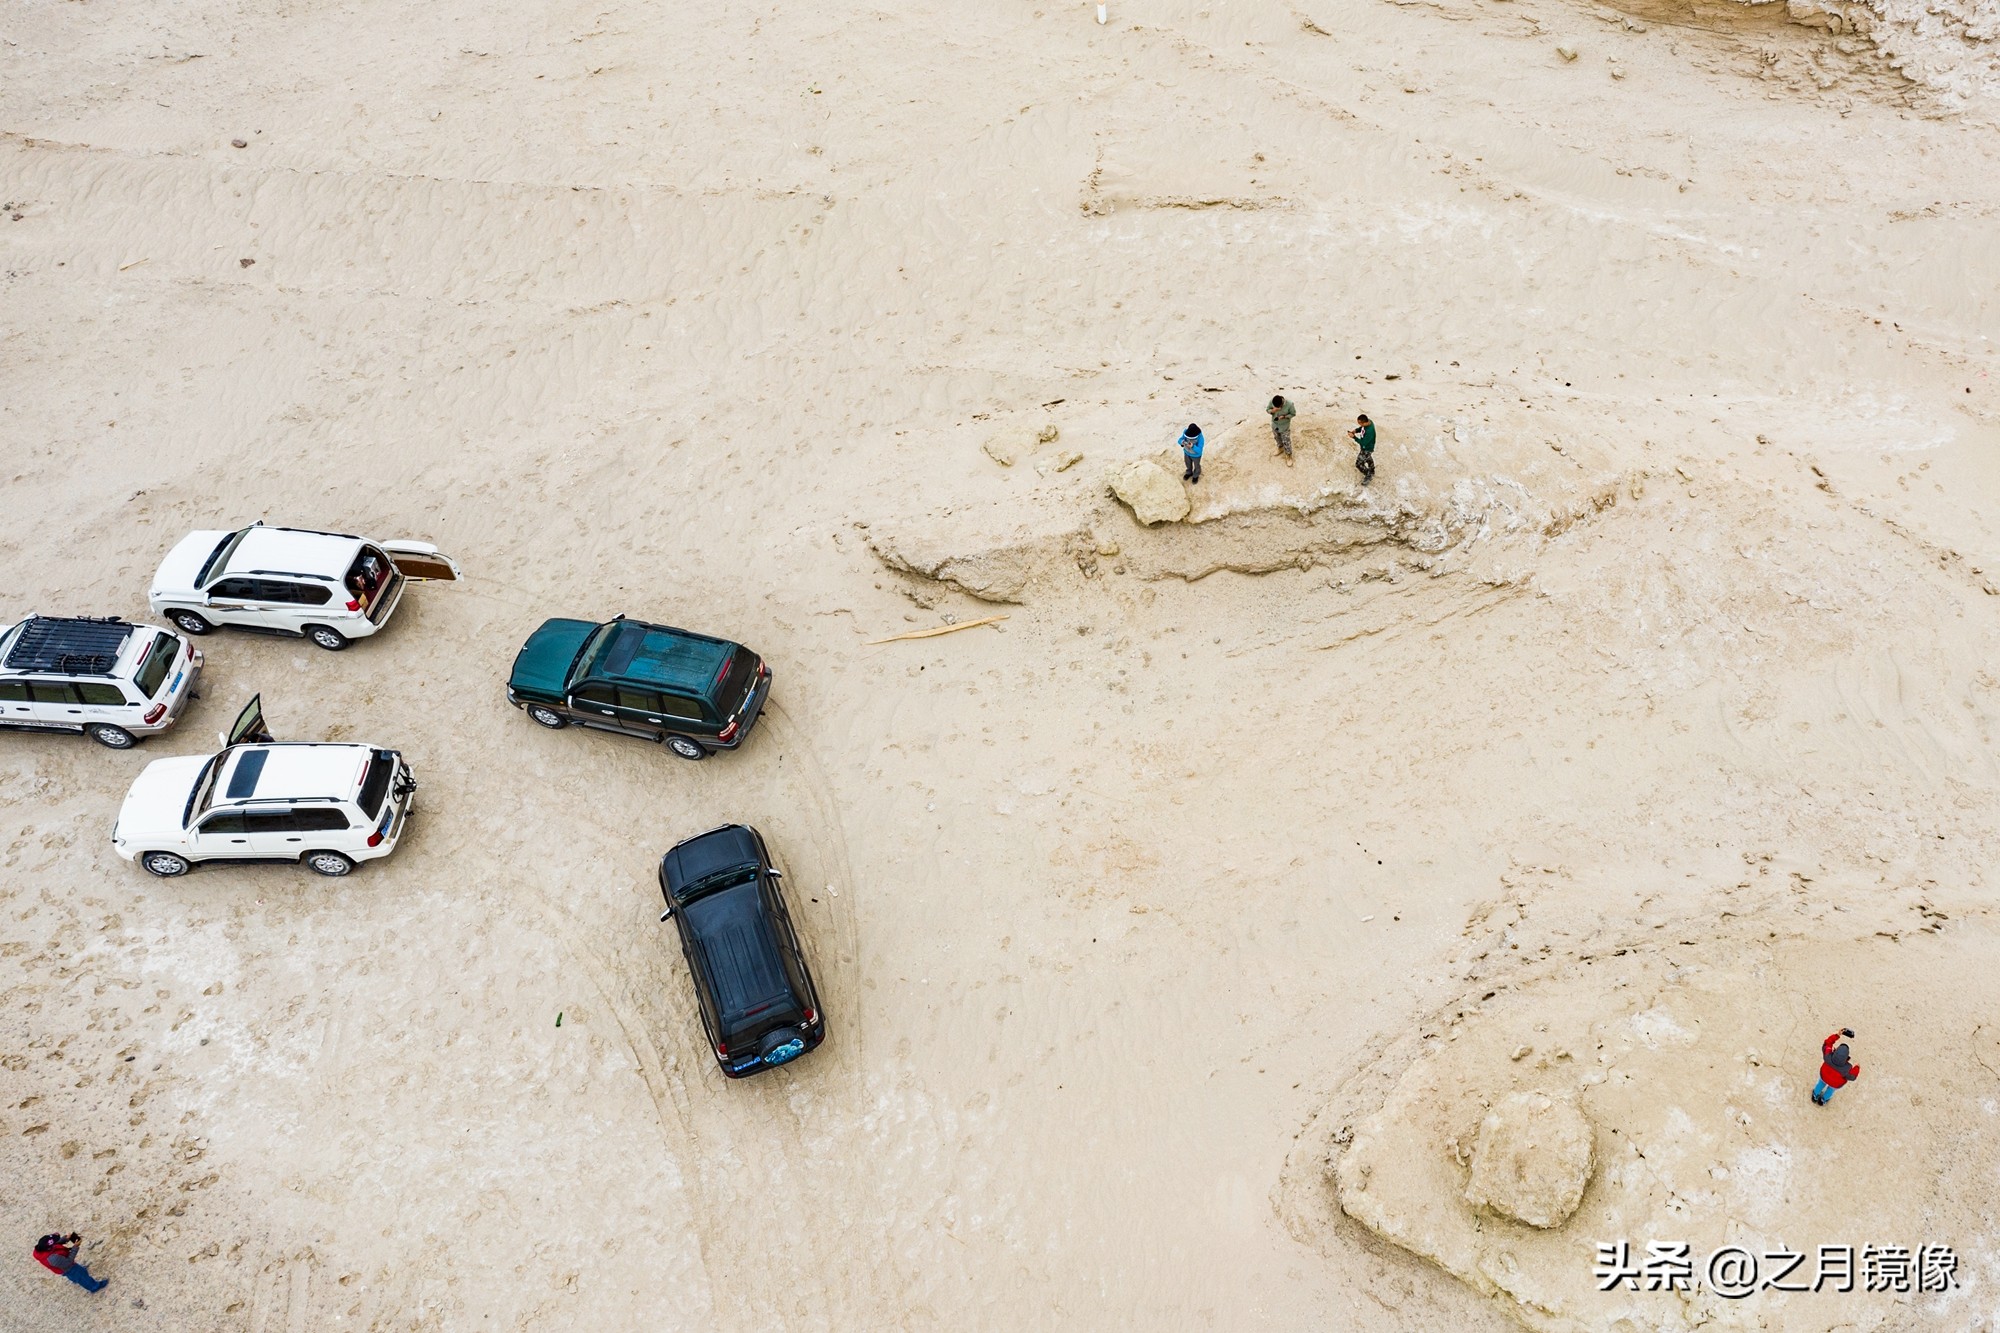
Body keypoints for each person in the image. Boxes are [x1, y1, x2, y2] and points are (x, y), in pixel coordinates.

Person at [33, 1233, 107, 1293]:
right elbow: (69, 1261)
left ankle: (75, 1279)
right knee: (81, 1275)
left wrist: (66, 1239)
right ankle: (94, 1287)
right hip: (68, 1268)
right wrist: (75, 1247)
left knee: (73, 1276)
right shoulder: (53, 1259)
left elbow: (55, 1244)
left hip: (63, 1268)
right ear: (49, 1248)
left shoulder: (41, 1249)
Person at [1812, 1028, 1860, 1106]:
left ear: (1836, 1050)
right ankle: (1823, 1100)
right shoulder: (1847, 1068)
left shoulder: (1827, 1055)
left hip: (1824, 1076)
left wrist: (1837, 1035)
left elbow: (1827, 1044)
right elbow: (1852, 1076)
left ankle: (1815, 1095)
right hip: (1835, 1083)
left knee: (1820, 1084)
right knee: (1830, 1090)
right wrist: (1857, 1067)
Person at [1267, 395, 1296, 459]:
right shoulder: (1272, 401)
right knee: (1277, 438)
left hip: (1284, 426)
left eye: (1279, 407)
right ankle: (1280, 448)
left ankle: (1288, 455)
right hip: (1275, 425)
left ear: (1282, 403)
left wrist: (1284, 417)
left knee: (1286, 441)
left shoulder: (1290, 404)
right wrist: (1272, 411)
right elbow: (1267, 409)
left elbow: (1293, 414)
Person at [1348, 414, 1376, 482]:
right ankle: (1372, 470)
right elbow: (1362, 428)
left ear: (1364, 422)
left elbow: (1363, 442)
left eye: (1360, 423)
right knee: (1368, 458)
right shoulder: (1369, 422)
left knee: (1358, 464)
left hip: (1367, 448)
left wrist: (1353, 437)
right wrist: (1356, 430)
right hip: (1366, 447)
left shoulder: (1370, 432)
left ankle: (1368, 475)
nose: (1360, 425)